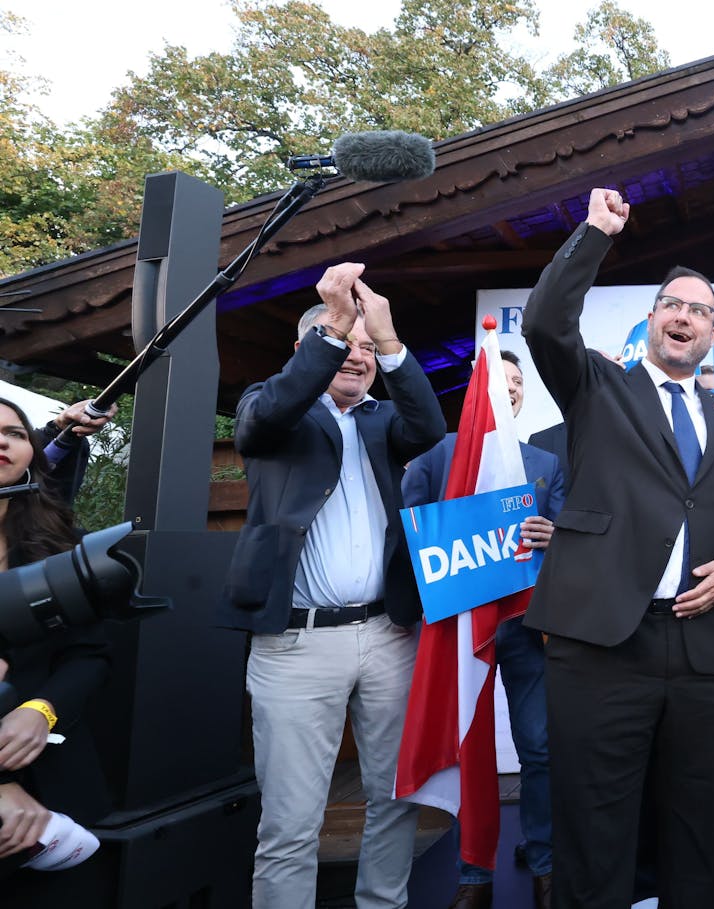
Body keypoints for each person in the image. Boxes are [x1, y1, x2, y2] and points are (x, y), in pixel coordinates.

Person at [520, 188, 714, 909]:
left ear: (713, 335)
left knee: (695, 829)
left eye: (699, 309)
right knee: (596, 831)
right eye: (673, 303)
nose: (684, 315)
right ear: (651, 319)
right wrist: (597, 233)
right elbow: (543, 321)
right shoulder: (599, 387)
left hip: (704, 650)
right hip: (604, 645)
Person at [217, 263, 447, 909]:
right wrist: (337, 323)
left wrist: (391, 340)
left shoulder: (383, 423)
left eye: (366, 351)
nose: (358, 356)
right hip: (297, 642)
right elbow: (272, 415)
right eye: (343, 343)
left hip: (387, 634)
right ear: (306, 349)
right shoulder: (270, 406)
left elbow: (429, 431)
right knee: (290, 823)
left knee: (396, 799)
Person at [402, 349, 566, 909]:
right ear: (478, 389)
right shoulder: (438, 455)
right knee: (467, 751)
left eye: (519, 382)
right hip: (456, 631)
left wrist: (555, 534)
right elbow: (412, 536)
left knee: (541, 749)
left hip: (528, 627)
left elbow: (570, 544)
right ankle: (473, 878)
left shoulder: (546, 464)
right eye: (500, 379)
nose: (511, 389)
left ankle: (545, 868)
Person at [0, 398, 114, 904]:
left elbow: (89, 654)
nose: (2, 442)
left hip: (56, 786)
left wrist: (41, 711)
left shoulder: (59, 546)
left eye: (14, 432)